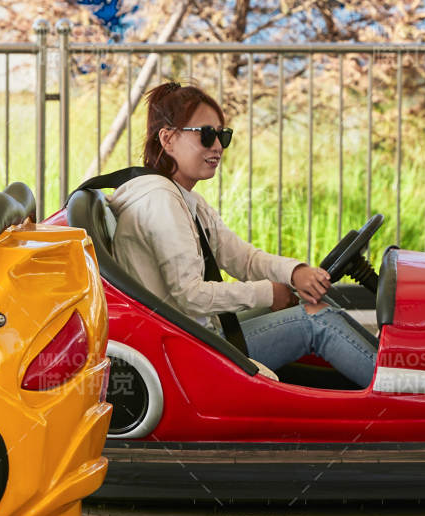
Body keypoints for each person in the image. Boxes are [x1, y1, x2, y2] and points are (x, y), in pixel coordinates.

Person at [106, 81, 378, 388]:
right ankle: (401, 393)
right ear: (168, 139)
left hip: (193, 332)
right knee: (319, 321)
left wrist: (295, 272)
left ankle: (384, 375)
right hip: (186, 349)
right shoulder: (160, 199)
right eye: (206, 135)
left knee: (312, 302)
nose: (217, 147)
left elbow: (242, 259)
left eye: (222, 136)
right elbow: (190, 295)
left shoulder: (183, 197)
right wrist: (267, 293)